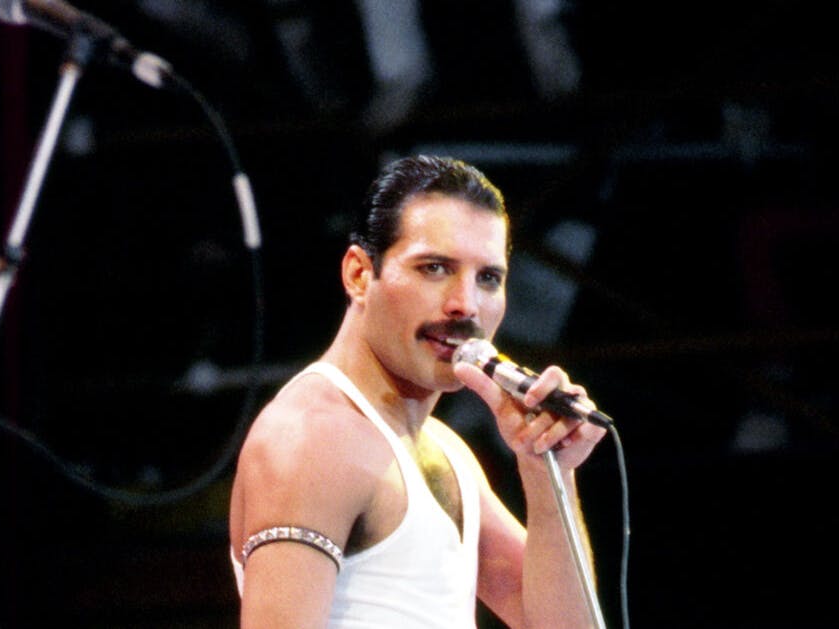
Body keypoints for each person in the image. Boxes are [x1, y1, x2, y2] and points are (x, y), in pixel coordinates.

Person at [229, 155, 608, 628]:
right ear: (359, 275)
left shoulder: (447, 453)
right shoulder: (312, 439)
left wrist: (546, 464)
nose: (465, 304)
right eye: (434, 268)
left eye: (488, 278)